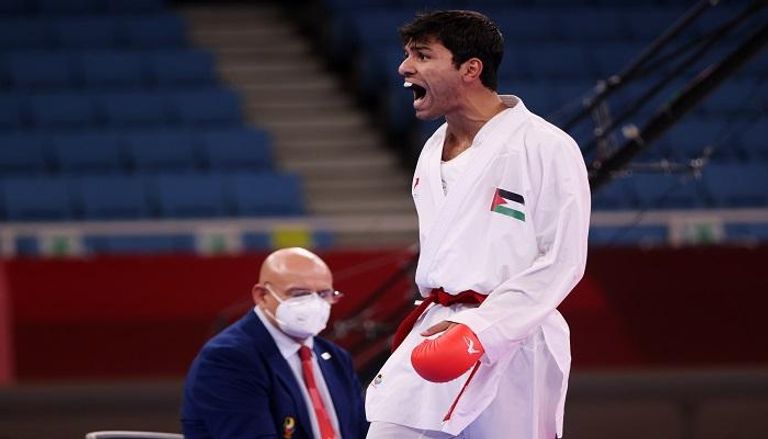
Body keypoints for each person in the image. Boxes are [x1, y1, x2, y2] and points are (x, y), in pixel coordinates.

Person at [364, 10, 590, 439]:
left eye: (422, 55)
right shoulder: (432, 150)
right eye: (407, 54)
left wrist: (481, 329)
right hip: (436, 329)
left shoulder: (546, 147)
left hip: (513, 337)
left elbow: (562, 261)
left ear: (471, 69)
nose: (404, 67)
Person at [182, 247, 368, 439]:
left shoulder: (336, 358)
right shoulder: (228, 359)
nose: (314, 304)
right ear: (262, 296)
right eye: (299, 294)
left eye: (323, 294)